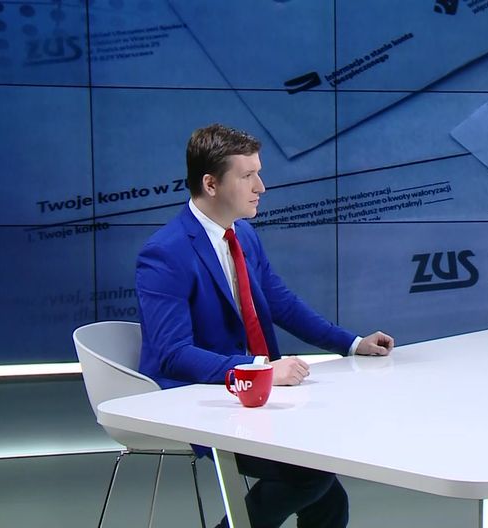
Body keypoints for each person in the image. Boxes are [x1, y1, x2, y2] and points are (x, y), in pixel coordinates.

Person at [135, 123, 395, 528]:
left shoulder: (244, 235)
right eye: (247, 176)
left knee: (327, 495)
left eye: (258, 172)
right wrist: (261, 371)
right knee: (311, 475)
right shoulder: (165, 253)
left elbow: (281, 304)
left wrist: (352, 343)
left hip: (252, 396)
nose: (261, 186)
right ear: (211, 184)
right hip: (195, 400)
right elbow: (173, 355)